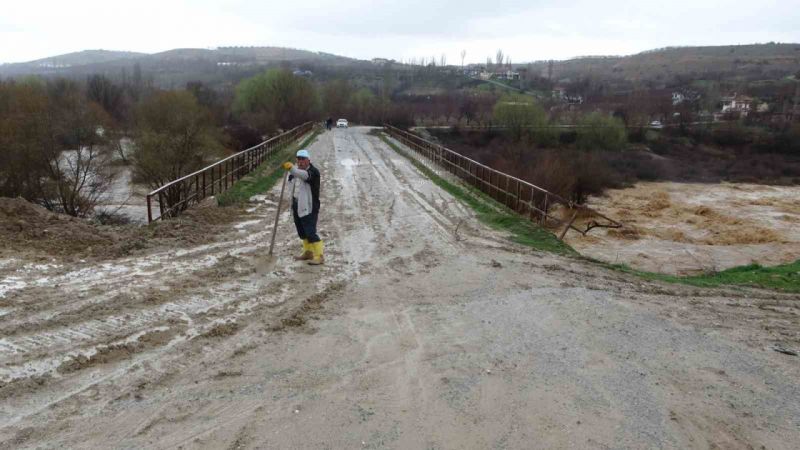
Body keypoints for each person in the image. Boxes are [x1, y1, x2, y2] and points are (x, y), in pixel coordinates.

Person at [282, 149, 323, 265]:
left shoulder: (313, 172)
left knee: (310, 232)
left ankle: (320, 256)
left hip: (310, 206)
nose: (300, 162)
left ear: (308, 160)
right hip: (297, 204)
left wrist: (292, 169)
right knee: (302, 232)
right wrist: (290, 174)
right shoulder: (295, 171)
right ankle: (308, 252)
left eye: (303, 159)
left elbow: (304, 176)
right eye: (298, 159)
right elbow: (292, 182)